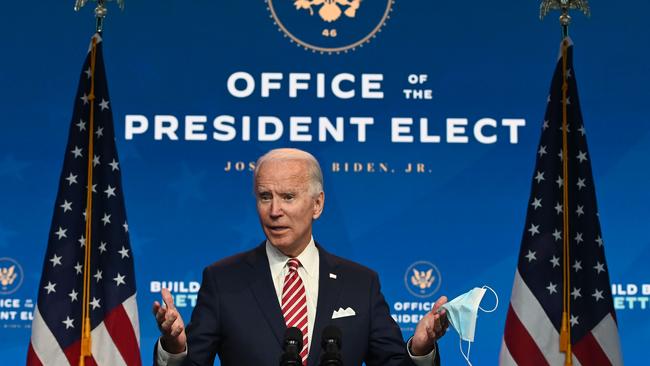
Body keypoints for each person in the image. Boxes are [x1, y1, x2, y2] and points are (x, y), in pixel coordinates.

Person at [153, 148, 449, 366]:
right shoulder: (223, 280)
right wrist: (175, 348)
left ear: (317, 205)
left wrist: (420, 349)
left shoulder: (361, 283)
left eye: (288, 197)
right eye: (265, 196)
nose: (274, 211)